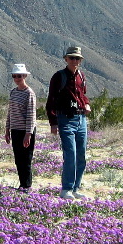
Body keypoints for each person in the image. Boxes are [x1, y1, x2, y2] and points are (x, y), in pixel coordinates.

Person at [45, 46, 91, 200]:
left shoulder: (81, 77)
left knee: (81, 155)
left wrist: (87, 104)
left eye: (77, 58)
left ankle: (76, 187)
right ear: (66, 59)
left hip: (81, 119)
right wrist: (53, 122)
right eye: (72, 58)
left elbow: (83, 95)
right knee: (70, 153)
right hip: (65, 118)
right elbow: (51, 100)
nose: (75, 61)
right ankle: (66, 189)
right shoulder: (59, 76)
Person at [4, 63, 37, 192]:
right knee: (18, 159)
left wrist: (28, 134)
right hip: (15, 130)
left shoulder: (29, 93)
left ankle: (27, 185)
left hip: (25, 131)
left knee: (26, 158)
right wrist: (7, 129)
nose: (16, 78)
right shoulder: (13, 92)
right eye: (14, 76)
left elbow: (31, 115)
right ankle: (22, 184)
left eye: (19, 76)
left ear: (24, 76)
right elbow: (10, 113)